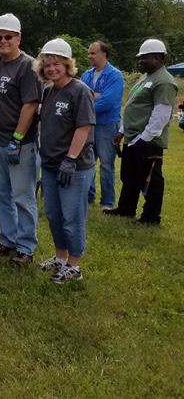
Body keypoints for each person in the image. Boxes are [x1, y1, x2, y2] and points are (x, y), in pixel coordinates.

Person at [0, 11, 42, 265]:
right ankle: (7, 240)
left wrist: (17, 138)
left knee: (23, 197)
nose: (3, 41)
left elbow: (30, 104)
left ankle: (25, 248)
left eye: (8, 37)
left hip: (19, 144)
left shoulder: (28, 66)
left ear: (18, 39)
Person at [33, 38, 95, 283]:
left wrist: (70, 159)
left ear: (68, 65)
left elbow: (84, 127)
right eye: (47, 64)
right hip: (50, 165)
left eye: (57, 63)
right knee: (54, 215)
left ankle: (74, 265)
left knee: (72, 216)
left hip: (74, 167)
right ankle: (61, 257)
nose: (51, 69)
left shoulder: (80, 91)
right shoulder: (49, 91)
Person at [106, 39, 177, 225]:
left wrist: (144, 138)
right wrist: (122, 131)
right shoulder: (145, 77)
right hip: (133, 137)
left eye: (144, 57)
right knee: (129, 176)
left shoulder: (164, 81)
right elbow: (134, 106)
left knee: (150, 179)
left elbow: (162, 114)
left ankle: (151, 217)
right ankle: (126, 209)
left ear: (157, 58)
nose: (140, 61)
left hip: (148, 140)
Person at [80, 41, 124, 209]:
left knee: (106, 164)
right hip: (89, 125)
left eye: (93, 53)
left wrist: (88, 105)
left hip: (107, 125)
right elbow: (79, 96)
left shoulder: (115, 75)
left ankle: (107, 202)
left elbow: (108, 102)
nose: (89, 56)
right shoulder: (87, 75)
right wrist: (95, 96)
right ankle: (88, 196)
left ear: (103, 54)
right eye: (89, 53)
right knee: (87, 162)